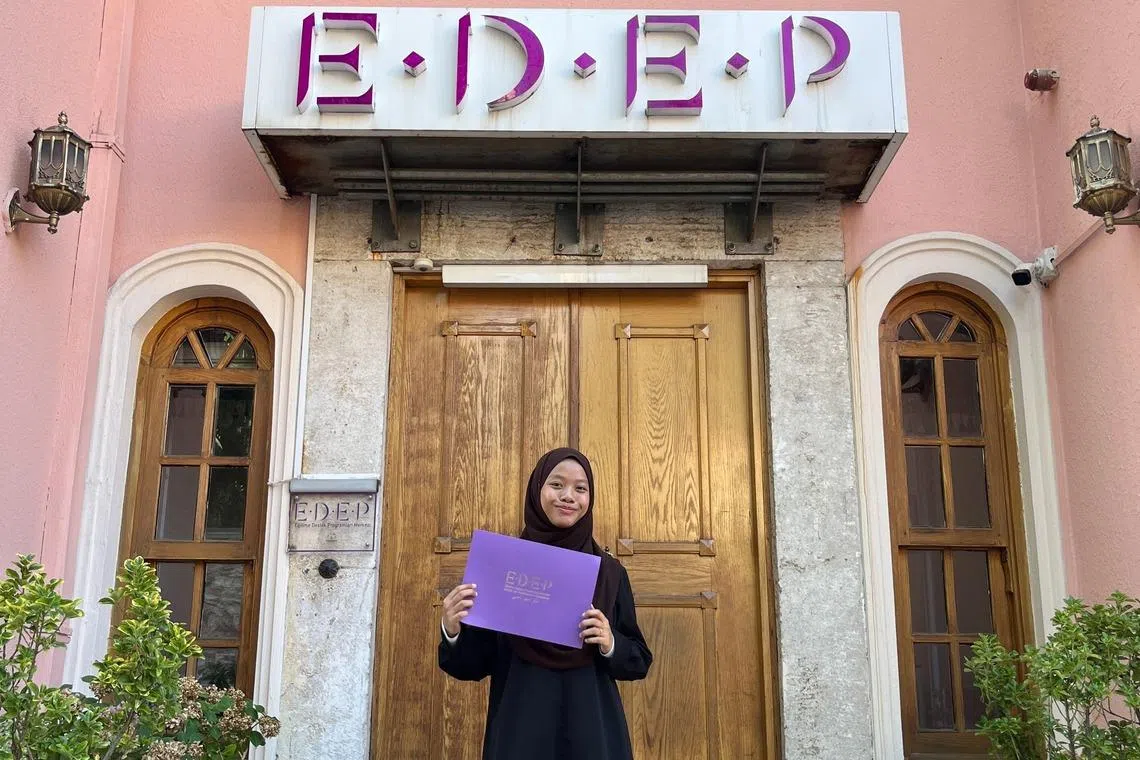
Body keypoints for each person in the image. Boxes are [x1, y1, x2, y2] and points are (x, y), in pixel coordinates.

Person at [439, 447, 653, 760]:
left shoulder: (609, 573)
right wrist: (453, 629)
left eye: (580, 489)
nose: (568, 496)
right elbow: (471, 665)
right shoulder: (502, 567)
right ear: (537, 489)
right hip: (519, 734)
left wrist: (610, 643)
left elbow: (638, 661)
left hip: (592, 736)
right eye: (556, 484)